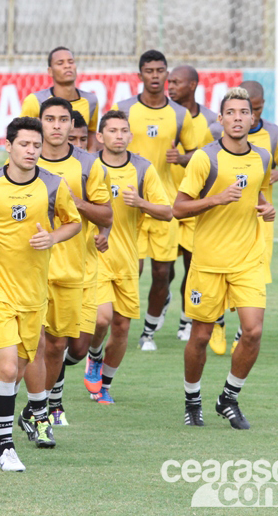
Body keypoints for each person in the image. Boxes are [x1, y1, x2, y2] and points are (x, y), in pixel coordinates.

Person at [0, 117, 80, 470]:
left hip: (32, 295)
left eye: (37, 145)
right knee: (8, 367)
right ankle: (6, 446)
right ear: (8, 146)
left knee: (15, 372)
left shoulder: (53, 185)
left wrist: (53, 237)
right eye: (25, 144)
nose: (31, 151)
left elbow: (73, 222)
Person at [174, 87, 274, 429]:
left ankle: (228, 397)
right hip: (208, 262)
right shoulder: (206, 158)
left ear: (252, 117)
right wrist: (215, 200)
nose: (237, 118)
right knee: (200, 337)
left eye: (243, 112)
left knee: (253, 331)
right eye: (230, 112)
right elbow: (178, 207)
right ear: (220, 119)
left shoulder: (262, 157)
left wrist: (266, 207)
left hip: (247, 259)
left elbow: (256, 193)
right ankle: (192, 399)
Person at [19, 97, 110, 433]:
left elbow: (106, 214)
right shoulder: (24, 160)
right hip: (32, 270)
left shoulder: (89, 164)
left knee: (66, 346)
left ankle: (49, 397)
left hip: (74, 270)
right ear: (39, 122)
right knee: (35, 343)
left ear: (73, 126)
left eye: (63, 120)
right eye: (49, 119)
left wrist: (77, 202)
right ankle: (40, 411)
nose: (56, 126)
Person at [111, 50, 198, 351]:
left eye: (161, 70)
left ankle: (147, 332)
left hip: (165, 206)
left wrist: (182, 157)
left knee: (162, 273)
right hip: (128, 205)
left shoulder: (179, 114)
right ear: (140, 75)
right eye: (149, 70)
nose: (155, 75)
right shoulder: (123, 109)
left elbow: (198, 157)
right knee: (130, 271)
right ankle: (119, 325)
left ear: (166, 74)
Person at [84, 111, 172, 405]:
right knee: (101, 319)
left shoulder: (142, 168)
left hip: (127, 260)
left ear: (130, 136)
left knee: (121, 327)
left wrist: (142, 203)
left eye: (124, 131)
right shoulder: (88, 166)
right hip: (95, 256)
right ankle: (94, 356)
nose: (119, 136)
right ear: (100, 137)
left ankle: (105, 384)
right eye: (112, 131)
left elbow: (167, 211)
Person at [211, 81, 278, 353]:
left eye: (255, 109)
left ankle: (243, 331)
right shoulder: (215, 134)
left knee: (256, 277)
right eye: (235, 112)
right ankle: (218, 320)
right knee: (220, 277)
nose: (251, 116)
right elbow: (207, 169)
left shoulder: (272, 136)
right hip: (222, 222)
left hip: (260, 221)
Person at [167, 65, 217, 343]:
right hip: (165, 199)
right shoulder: (167, 116)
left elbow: (211, 158)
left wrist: (185, 159)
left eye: (176, 82)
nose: (171, 87)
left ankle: (186, 318)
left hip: (193, 202)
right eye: (169, 82)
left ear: (193, 85)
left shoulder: (211, 120)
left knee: (191, 265)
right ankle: (164, 299)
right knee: (164, 269)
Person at [20, 46, 100, 151]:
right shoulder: (35, 101)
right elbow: (21, 135)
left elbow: (91, 132)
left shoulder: (91, 100)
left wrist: (90, 160)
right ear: (50, 71)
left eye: (71, 62)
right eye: (60, 63)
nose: (67, 66)